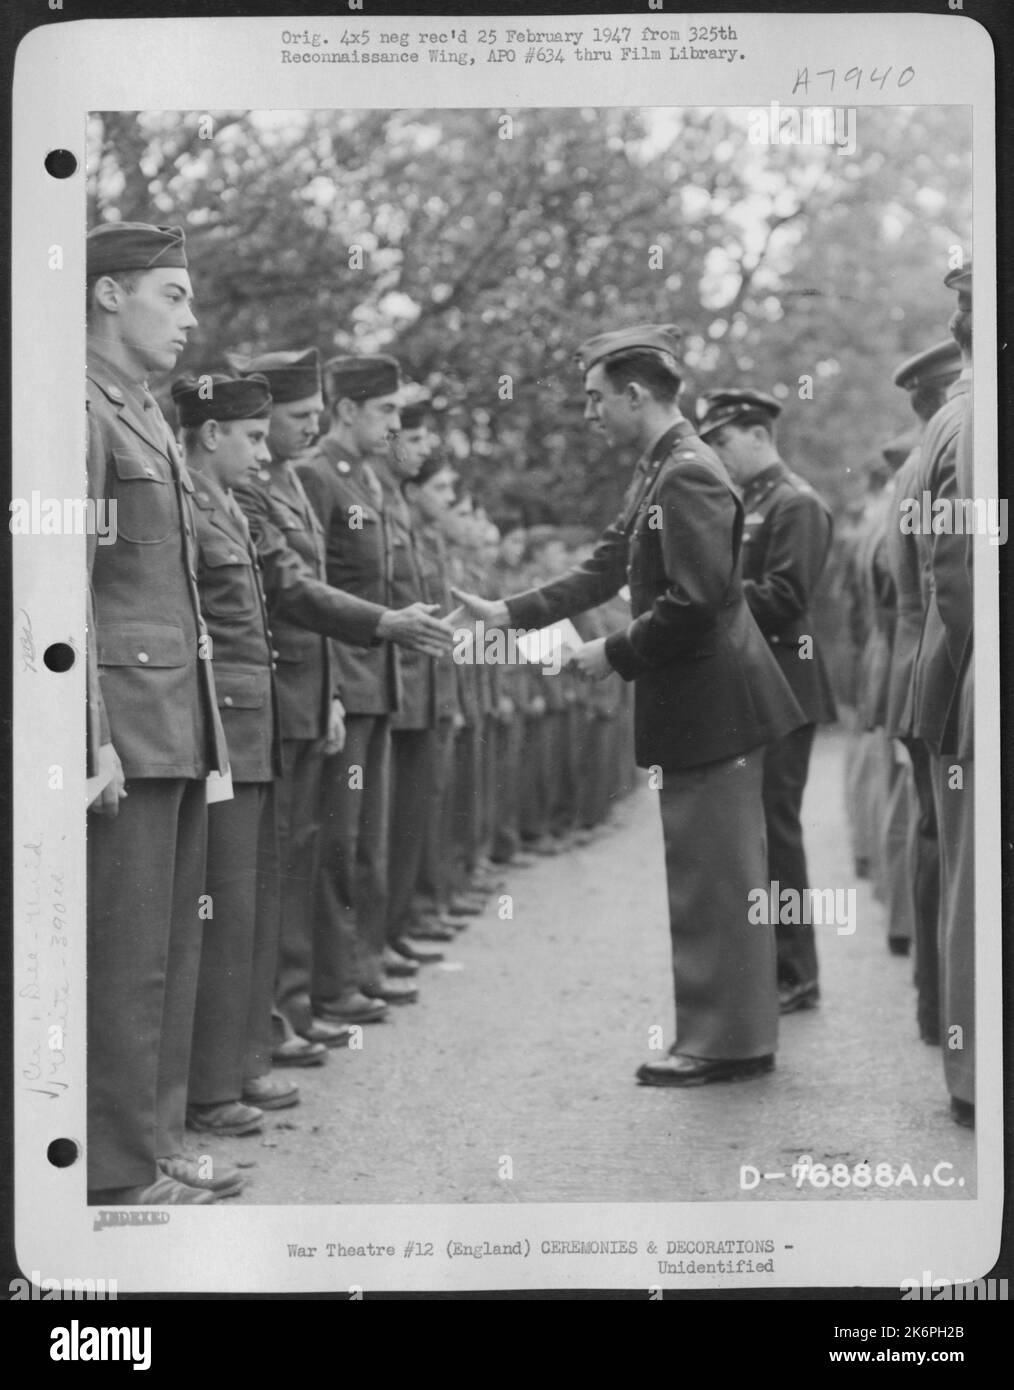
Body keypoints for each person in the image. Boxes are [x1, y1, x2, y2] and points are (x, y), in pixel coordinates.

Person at [452, 324, 804, 1086]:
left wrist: (610, 653)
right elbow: (607, 564)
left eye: (594, 399)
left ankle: (726, 1043)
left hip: (717, 706)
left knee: (718, 876)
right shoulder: (662, 469)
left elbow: (700, 599)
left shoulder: (685, 473)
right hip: (707, 704)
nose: (589, 414)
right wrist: (509, 613)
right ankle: (728, 1036)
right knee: (710, 872)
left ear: (635, 395)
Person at [85, 221, 229, 1204]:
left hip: (178, 713)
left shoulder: (142, 413)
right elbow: (69, 589)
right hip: (127, 722)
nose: (189, 316)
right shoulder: (80, 409)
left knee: (169, 948)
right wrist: (90, 733)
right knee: (125, 959)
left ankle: (159, 1138)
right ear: (107, 295)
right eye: (171, 293)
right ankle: (114, 1166)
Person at [296, 355, 453, 1022]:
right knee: (337, 841)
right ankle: (332, 983)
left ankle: (357, 965)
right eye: (386, 411)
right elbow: (311, 591)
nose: (396, 425)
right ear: (348, 411)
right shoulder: (317, 475)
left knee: (367, 839)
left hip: (379, 682)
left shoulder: (366, 480)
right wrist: (329, 686)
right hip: (346, 681)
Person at [697, 389, 837, 1012]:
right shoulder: (750, 501)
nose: (719, 455)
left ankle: (796, 971)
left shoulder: (796, 504)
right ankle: (770, 964)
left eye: (723, 442)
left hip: (787, 681)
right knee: (756, 830)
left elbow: (784, 595)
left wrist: (710, 590)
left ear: (757, 434)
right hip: (757, 685)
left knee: (777, 829)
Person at [909, 263, 974, 1127]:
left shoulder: (958, 413)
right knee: (969, 883)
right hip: (971, 679)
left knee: (964, 877)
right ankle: (974, 1078)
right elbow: (957, 574)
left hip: (952, 675)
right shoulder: (975, 417)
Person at [883, 338, 962, 1044]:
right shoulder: (944, 449)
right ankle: (946, 1010)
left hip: (915, 668)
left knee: (935, 839)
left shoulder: (907, 470)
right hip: (939, 666)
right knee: (945, 843)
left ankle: (934, 1003)